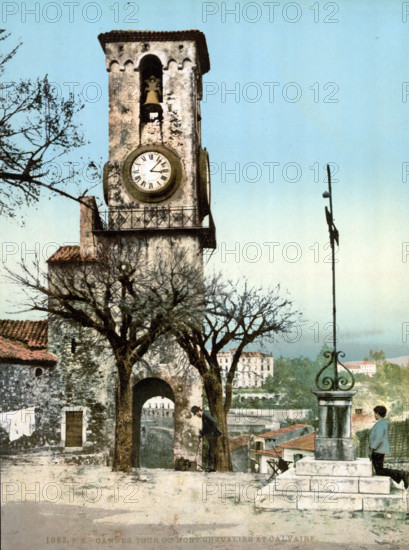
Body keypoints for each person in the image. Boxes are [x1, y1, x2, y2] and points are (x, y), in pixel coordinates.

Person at [369, 405, 409, 489]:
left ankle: (402, 474)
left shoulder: (381, 423)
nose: (374, 415)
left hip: (378, 450)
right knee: (379, 470)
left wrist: (373, 447)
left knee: (379, 471)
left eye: (375, 413)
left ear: (377, 413)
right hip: (379, 450)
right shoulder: (382, 423)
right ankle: (402, 475)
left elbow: (379, 437)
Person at [191, 406, 221, 472]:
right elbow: (205, 428)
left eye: (196, 414)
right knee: (211, 450)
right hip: (211, 435)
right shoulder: (204, 417)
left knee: (211, 451)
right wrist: (201, 435)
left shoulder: (206, 415)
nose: (196, 415)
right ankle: (213, 468)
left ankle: (211, 467)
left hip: (213, 436)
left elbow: (214, 422)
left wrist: (212, 432)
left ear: (198, 411)